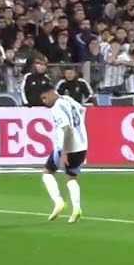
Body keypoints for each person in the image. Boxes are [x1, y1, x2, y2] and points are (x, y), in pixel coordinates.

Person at [39, 84, 88, 223]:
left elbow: (67, 130)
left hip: (66, 147)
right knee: (71, 177)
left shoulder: (57, 108)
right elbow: (81, 110)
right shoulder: (68, 99)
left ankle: (58, 201)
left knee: (47, 172)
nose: (44, 102)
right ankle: (76, 208)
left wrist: (65, 152)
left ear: (50, 93)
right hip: (82, 146)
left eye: (44, 98)